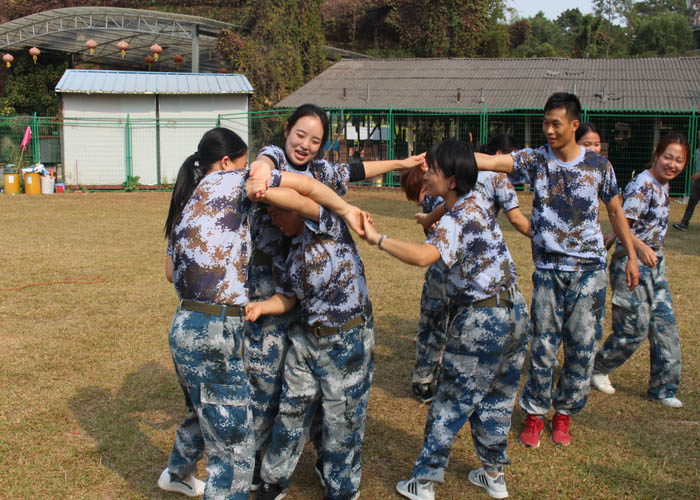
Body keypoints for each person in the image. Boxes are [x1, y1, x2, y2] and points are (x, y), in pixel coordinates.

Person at [243, 103, 424, 489]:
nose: (305, 145)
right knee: (278, 393)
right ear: (286, 130)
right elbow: (264, 165)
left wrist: (400, 164)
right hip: (287, 301)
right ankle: (270, 472)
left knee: (339, 411)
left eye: (316, 140)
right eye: (300, 135)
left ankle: (336, 474)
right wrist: (263, 178)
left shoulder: (323, 210)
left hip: (339, 326)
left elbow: (334, 181)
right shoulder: (272, 160)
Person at [363, 138, 530, 500]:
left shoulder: (456, 219)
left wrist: (378, 239)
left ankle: (423, 482)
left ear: (452, 180)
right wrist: (428, 217)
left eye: (433, 171)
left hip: (481, 321)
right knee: (497, 397)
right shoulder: (477, 201)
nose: (426, 175)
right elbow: (444, 210)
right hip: (515, 312)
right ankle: (494, 475)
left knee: (450, 401)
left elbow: (423, 256)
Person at [473, 92, 640, 449]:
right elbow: (492, 161)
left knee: (582, 347)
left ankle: (564, 413)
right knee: (543, 346)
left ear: (574, 125)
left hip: (589, 272)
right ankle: (535, 413)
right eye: (545, 123)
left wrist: (632, 256)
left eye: (555, 124)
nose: (548, 130)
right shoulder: (536, 160)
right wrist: (449, 155)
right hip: (549, 270)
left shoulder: (599, 166)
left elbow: (615, 211)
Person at [244, 178, 373, 500]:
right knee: (291, 412)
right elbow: (287, 298)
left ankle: (342, 488)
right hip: (306, 341)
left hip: (346, 342)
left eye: (278, 211)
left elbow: (305, 198)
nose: (274, 218)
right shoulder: (286, 251)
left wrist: (264, 188)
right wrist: (261, 307)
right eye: (269, 212)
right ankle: (274, 480)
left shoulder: (327, 225)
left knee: (342, 421)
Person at [160, 127, 255, 500]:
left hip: (185, 323)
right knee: (233, 444)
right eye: (244, 163)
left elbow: (169, 272)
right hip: (214, 327)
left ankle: (177, 474)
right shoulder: (231, 182)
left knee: (202, 410)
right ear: (227, 162)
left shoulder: (188, 199)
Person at [591, 133, 688, 408]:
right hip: (630, 263)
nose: (672, 164)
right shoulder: (643, 184)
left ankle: (663, 388)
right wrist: (639, 247)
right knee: (633, 328)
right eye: (668, 157)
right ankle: (597, 368)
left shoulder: (663, 185)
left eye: (679, 160)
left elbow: (624, 224)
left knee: (664, 325)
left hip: (655, 263)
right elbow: (622, 224)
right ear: (657, 155)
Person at [399, 155, 447, 403]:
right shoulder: (434, 200)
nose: (416, 199)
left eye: (415, 192)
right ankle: (424, 380)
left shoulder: (438, 199)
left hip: (444, 271)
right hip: (440, 271)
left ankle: (425, 378)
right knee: (434, 325)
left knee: (435, 325)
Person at [673, 143, 700, 231]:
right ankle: (684, 223)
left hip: (697, 177)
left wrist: (698, 174)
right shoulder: (697, 151)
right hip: (697, 181)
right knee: (692, 201)